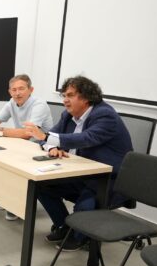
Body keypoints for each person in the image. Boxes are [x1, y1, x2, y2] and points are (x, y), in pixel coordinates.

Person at [23, 75, 133, 251]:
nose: (65, 100)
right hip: (80, 173)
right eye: (64, 96)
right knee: (41, 185)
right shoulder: (68, 115)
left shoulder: (105, 115)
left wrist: (47, 137)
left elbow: (85, 138)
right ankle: (65, 227)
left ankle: (79, 237)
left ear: (86, 97)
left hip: (107, 180)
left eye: (70, 95)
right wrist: (52, 147)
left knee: (85, 204)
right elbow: (48, 138)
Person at [0, 74, 53, 220]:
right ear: (10, 92)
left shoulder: (39, 105)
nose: (17, 93)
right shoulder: (12, 102)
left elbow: (28, 134)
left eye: (21, 89)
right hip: (22, 144)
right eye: (14, 90)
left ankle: (17, 205)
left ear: (31, 90)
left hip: (42, 147)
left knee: (11, 162)